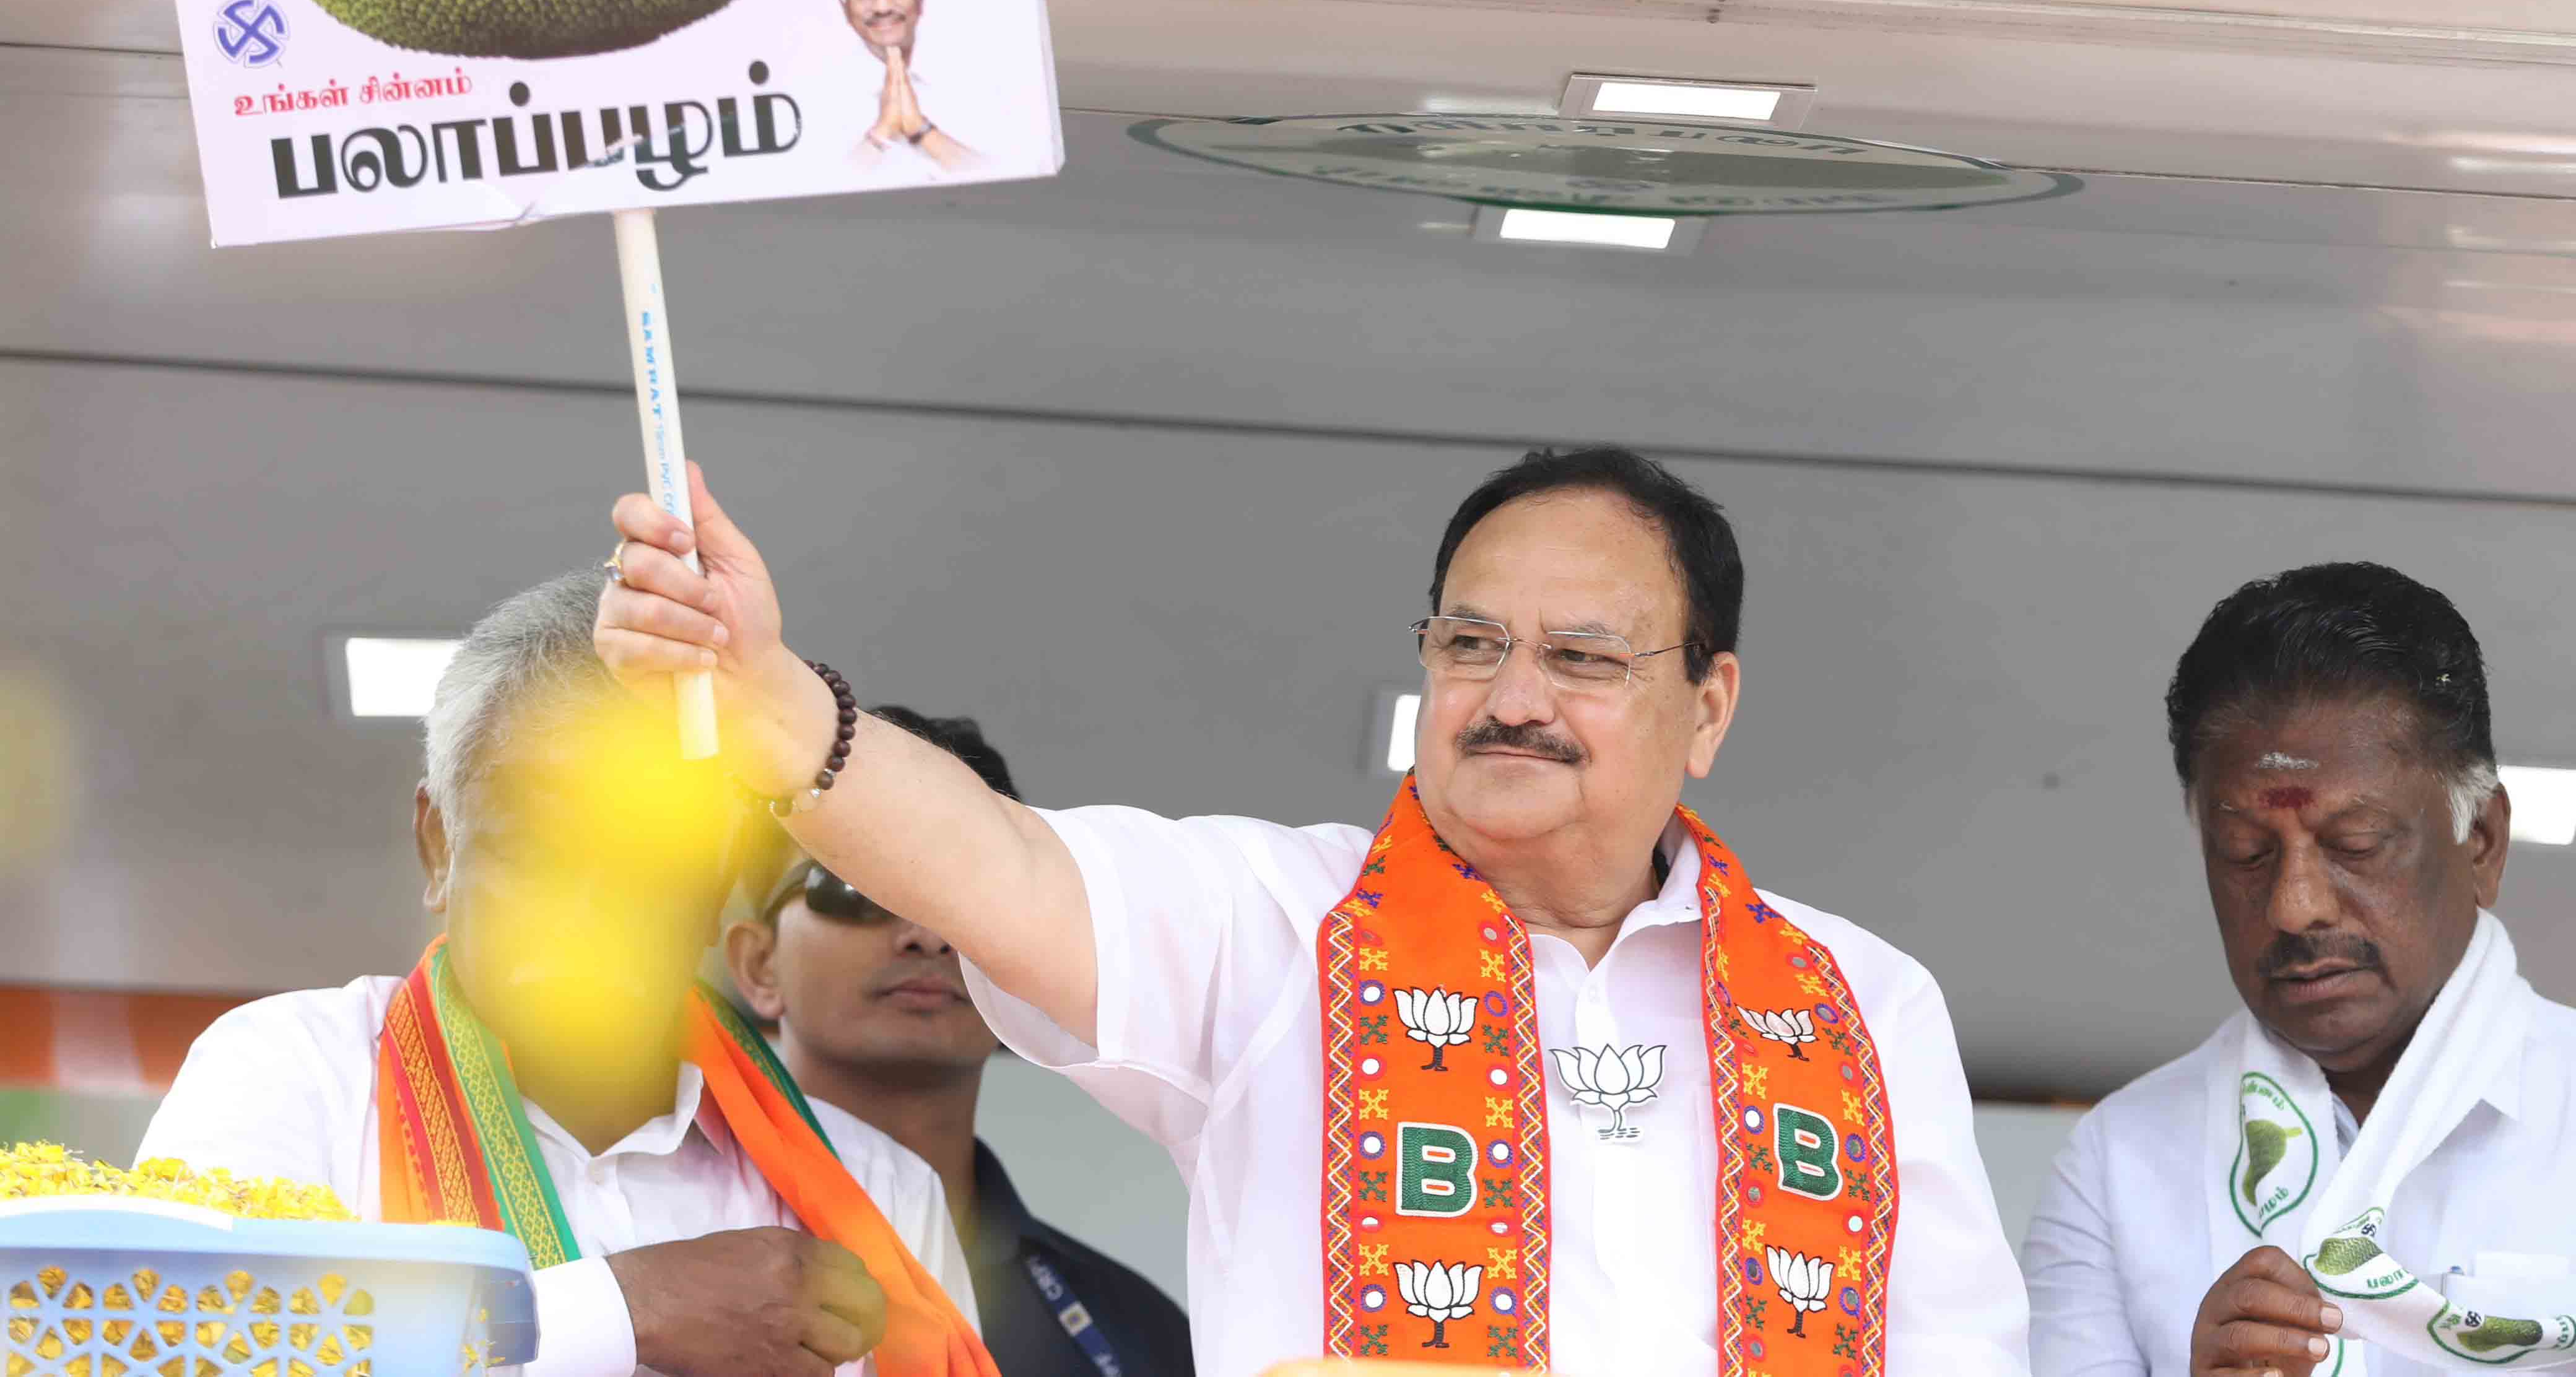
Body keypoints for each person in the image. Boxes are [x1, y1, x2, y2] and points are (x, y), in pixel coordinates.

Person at [593, 445, 2029, 1377]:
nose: (1513, 697)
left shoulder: (1859, 999)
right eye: (1472, 643)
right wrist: (772, 705)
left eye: (1582, 655)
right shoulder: (1278, 924)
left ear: (1705, 706)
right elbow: (997, 867)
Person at [142, 571, 991, 1377]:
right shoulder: (296, 1075)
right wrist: (627, 1309)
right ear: (439, 847)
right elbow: (177, 1348)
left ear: (714, 885)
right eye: (537, 846)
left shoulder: (880, 1196)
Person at [2023, 563, 2576, 1377]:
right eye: (2247, 853)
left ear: (2482, 843)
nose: (2295, 905)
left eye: (2355, 845)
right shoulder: (2120, 1165)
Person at [726, 706, 1196, 1377]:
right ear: (758, 965)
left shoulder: (1138, 1330)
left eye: (964, 899)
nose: (926, 933)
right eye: (854, 885)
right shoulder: (652, 1254)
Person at [836, 0, 978, 177]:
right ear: (844, 2)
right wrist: (881, 134)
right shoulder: (822, 97)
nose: (882, 6)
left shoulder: (974, 78)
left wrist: (920, 131)